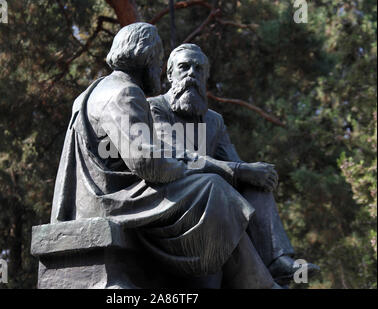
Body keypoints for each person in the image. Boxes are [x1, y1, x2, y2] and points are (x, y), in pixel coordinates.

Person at [50, 22, 279, 288]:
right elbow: (147, 161)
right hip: (113, 201)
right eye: (159, 62)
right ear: (145, 58)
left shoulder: (89, 93)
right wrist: (187, 172)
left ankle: (266, 274)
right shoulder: (126, 93)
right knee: (212, 189)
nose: (159, 71)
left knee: (214, 188)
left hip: (90, 200)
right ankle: (259, 284)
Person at [148, 43, 319, 285]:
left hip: (209, 195)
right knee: (223, 181)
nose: (191, 75)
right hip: (171, 196)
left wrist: (252, 172)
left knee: (256, 183)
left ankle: (279, 260)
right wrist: (240, 170)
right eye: (184, 67)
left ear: (206, 77)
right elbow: (177, 154)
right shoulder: (155, 108)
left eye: (198, 70)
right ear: (169, 74)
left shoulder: (214, 120)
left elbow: (234, 163)